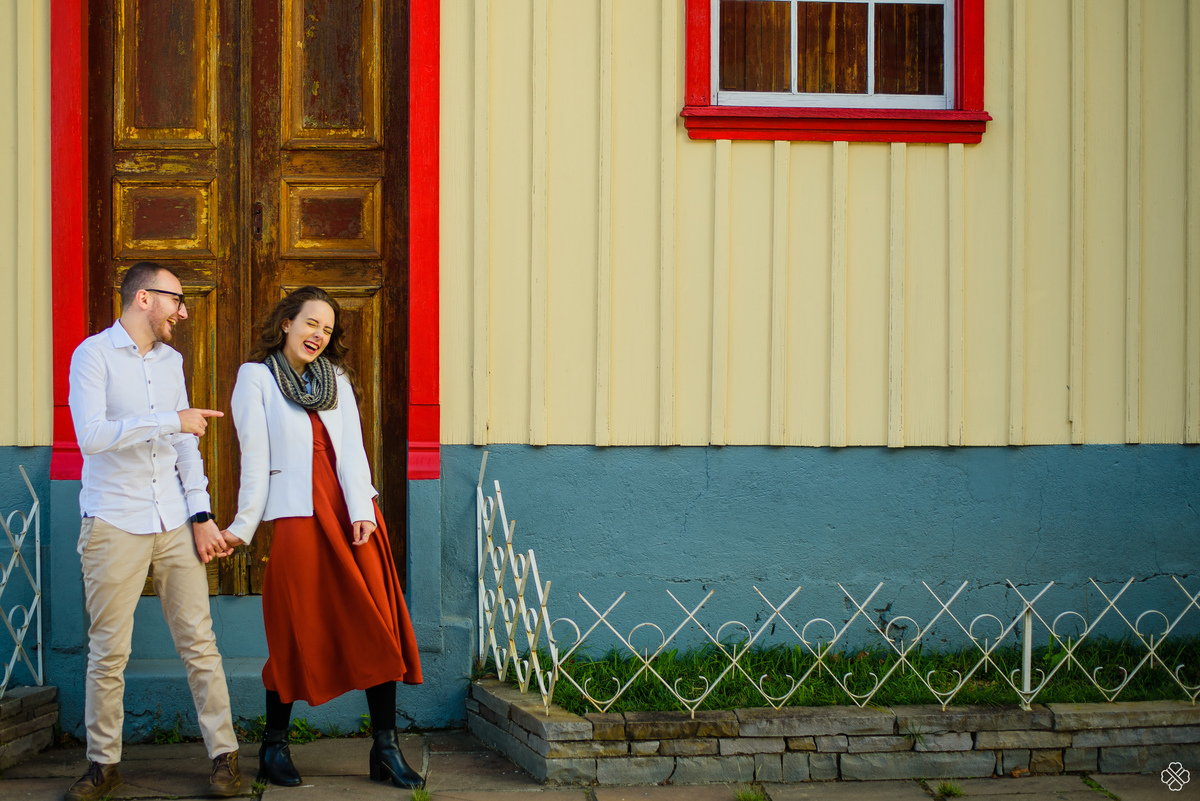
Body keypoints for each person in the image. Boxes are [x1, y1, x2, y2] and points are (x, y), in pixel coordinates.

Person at [220, 286, 423, 789]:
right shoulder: (256, 378)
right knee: (295, 627)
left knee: (377, 619)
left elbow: (352, 450)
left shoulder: (338, 379)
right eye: (311, 323)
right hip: (298, 514)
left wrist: (364, 511)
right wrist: (243, 527)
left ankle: (385, 748)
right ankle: (273, 747)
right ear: (287, 323)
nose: (318, 335)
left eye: (327, 329)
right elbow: (255, 459)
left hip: (350, 513)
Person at [66, 262, 242, 800]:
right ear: (144, 298)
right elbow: (91, 436)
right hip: (113, 520)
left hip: (173, 520)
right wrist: (170, 419)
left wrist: (201, 514)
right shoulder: (92, 356)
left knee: (200, 643)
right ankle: (103, 766)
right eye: (177, 300)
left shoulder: (171, 362)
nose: (183, 313)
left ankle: (225, 757)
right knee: (108, 652)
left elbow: (185, 445)